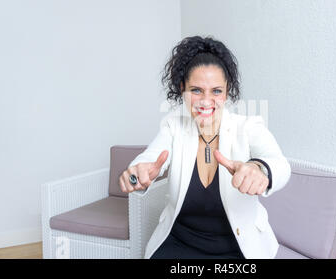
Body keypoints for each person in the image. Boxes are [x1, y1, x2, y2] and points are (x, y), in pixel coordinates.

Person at [119, 35, 291, 259]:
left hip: (237, 247)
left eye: (216, 91)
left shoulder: (249, 127)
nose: (206, 101)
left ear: (227, 91)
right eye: (196, 90)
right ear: (183, 89)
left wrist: (260, 169)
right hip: (178, 244)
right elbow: (149, 159)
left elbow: (280, 164)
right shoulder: (174, 127)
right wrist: (137, 174)